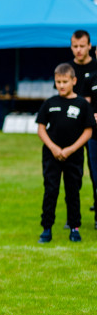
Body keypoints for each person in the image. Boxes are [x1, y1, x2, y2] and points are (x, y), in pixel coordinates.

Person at [36, 63, 93, 244]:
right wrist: (53, 147)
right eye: (58, 82)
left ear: (74, 81)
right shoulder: (50, 103)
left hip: (73, 155)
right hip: (52, 155)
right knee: (51, 190)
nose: (61, 85)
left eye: (64, 81)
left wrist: (71, 149)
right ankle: (46, 228)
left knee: (73, 192)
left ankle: (74, 228)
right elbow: (41, 128)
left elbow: (88, 131)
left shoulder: (82, 104)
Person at [69, 30, 97, 220]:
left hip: (93, 129)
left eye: (82, 46)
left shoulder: (95, 69)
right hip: (74, 129)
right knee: (73, 172)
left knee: (94, 169)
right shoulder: (67, 69)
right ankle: (73, 214)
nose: (78, 50)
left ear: (90, 47)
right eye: (75, 46)